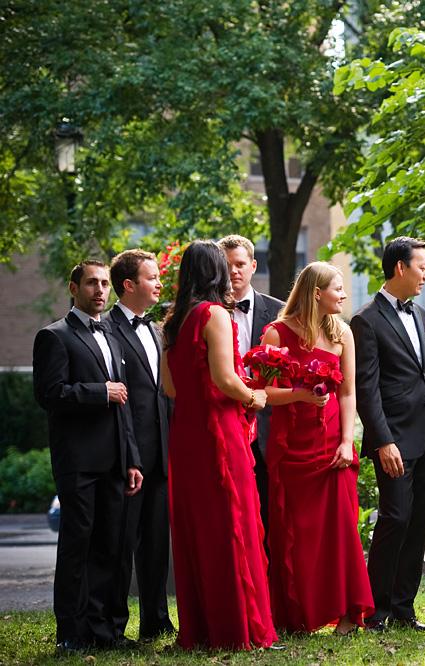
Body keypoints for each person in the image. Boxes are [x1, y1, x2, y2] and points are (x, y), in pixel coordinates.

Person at [161, 241, 276, 650]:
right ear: (217, 273)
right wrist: (253, 397)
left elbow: (169, 388)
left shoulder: (173, 321)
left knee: (199, 529)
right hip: (217, 432)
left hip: (186, 436)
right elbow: (227, 380)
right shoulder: (214, 315)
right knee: (231, 525)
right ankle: (235, 629)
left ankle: (203, 627)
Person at [33, 260, 143, 652]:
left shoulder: (112, 335)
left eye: (104, 284)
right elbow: (50, 394)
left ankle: (105, 632)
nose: (100, 290)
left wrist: (132, 458)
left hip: (116, 461)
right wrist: (100, 392)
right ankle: (71, 635)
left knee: (110, 548)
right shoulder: (54, 336)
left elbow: (125, 403)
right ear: (73, 287)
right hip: (78, 462)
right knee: (77, 548)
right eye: (92, 283)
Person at [261, 261, 374, 634]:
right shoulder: (276, 335)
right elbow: (261, 393)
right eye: (338, 288)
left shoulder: (343, 332)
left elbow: (349, 392)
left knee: (340, 531)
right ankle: (298, 614)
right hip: (291, 446)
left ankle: (346, 615)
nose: (344, 295)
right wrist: (300, 395)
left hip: (332, 446)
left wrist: (346, 441)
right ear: (315, 293)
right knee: (297, 534)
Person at [351, 237, 425, 632]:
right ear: (400, 268)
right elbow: (367, 389)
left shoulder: (422, 315)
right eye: (422, 266)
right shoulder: (365, 320)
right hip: (393, 439)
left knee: (418, 521)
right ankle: (375, 612)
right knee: (396, 518)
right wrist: (382, 441)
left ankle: (403, 608)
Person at [108, 250, 174, 640]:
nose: (159, 283)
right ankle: (114, 628)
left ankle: (156, 620)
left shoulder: (154, 329)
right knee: (120, 546)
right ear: (129, 285)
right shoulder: (108, 329)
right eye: (152, 277)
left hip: (161, 456)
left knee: (155, 545)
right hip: (126, 456)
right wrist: (130, 454)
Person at [219, 234, 284, 541]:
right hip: (222, 424)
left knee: (272, 515)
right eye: (227, 265)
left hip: (271, 428)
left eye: (240, 264)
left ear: (253, 266)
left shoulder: (280, 312)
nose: (234, 271)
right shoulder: (208, 313)